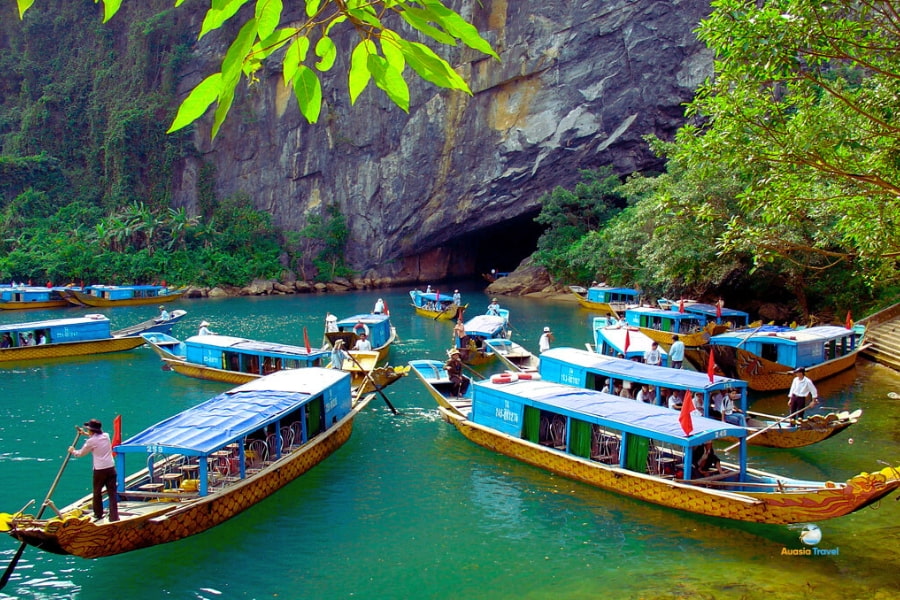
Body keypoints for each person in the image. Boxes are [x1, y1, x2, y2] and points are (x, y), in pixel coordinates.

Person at [69, 419, 119, 522]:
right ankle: (114, 516)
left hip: (100, 470)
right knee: (112, 493)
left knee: (97, 492)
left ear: (92, 430)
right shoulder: (106, 436)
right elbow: (96, 438)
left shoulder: (91, 441)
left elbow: (80, 453)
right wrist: (85, 434)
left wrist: (72, 451)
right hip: (111, 467)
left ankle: (98, 514)